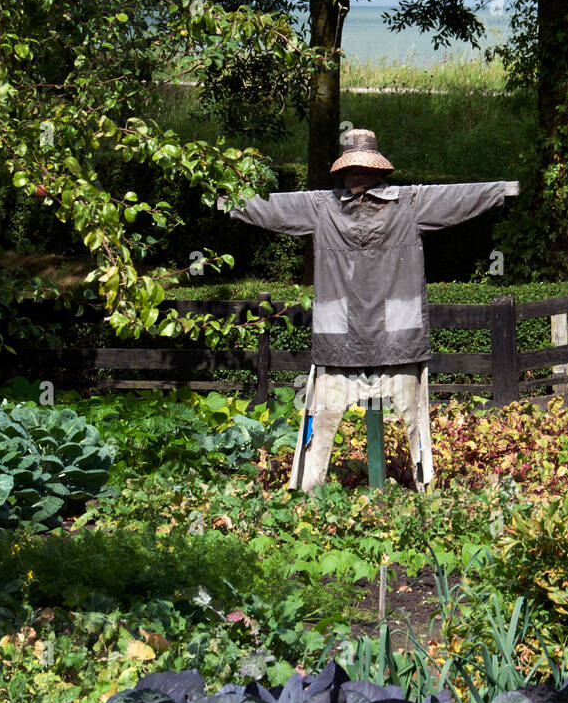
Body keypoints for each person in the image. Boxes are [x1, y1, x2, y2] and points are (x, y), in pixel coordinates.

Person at [219, 129, 518, 491]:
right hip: (358, 339)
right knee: (326, 423)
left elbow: (454, 196)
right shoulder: (330, 207)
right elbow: (276, 206)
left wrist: (498, 190)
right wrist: (235, 203)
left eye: (361, 170)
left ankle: (417, 488)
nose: (357, 177)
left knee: (407, 423)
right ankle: (305, 492)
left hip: (383, 339)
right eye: (353, 170)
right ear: (346, 172)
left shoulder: (394, 204)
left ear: (371, 171)